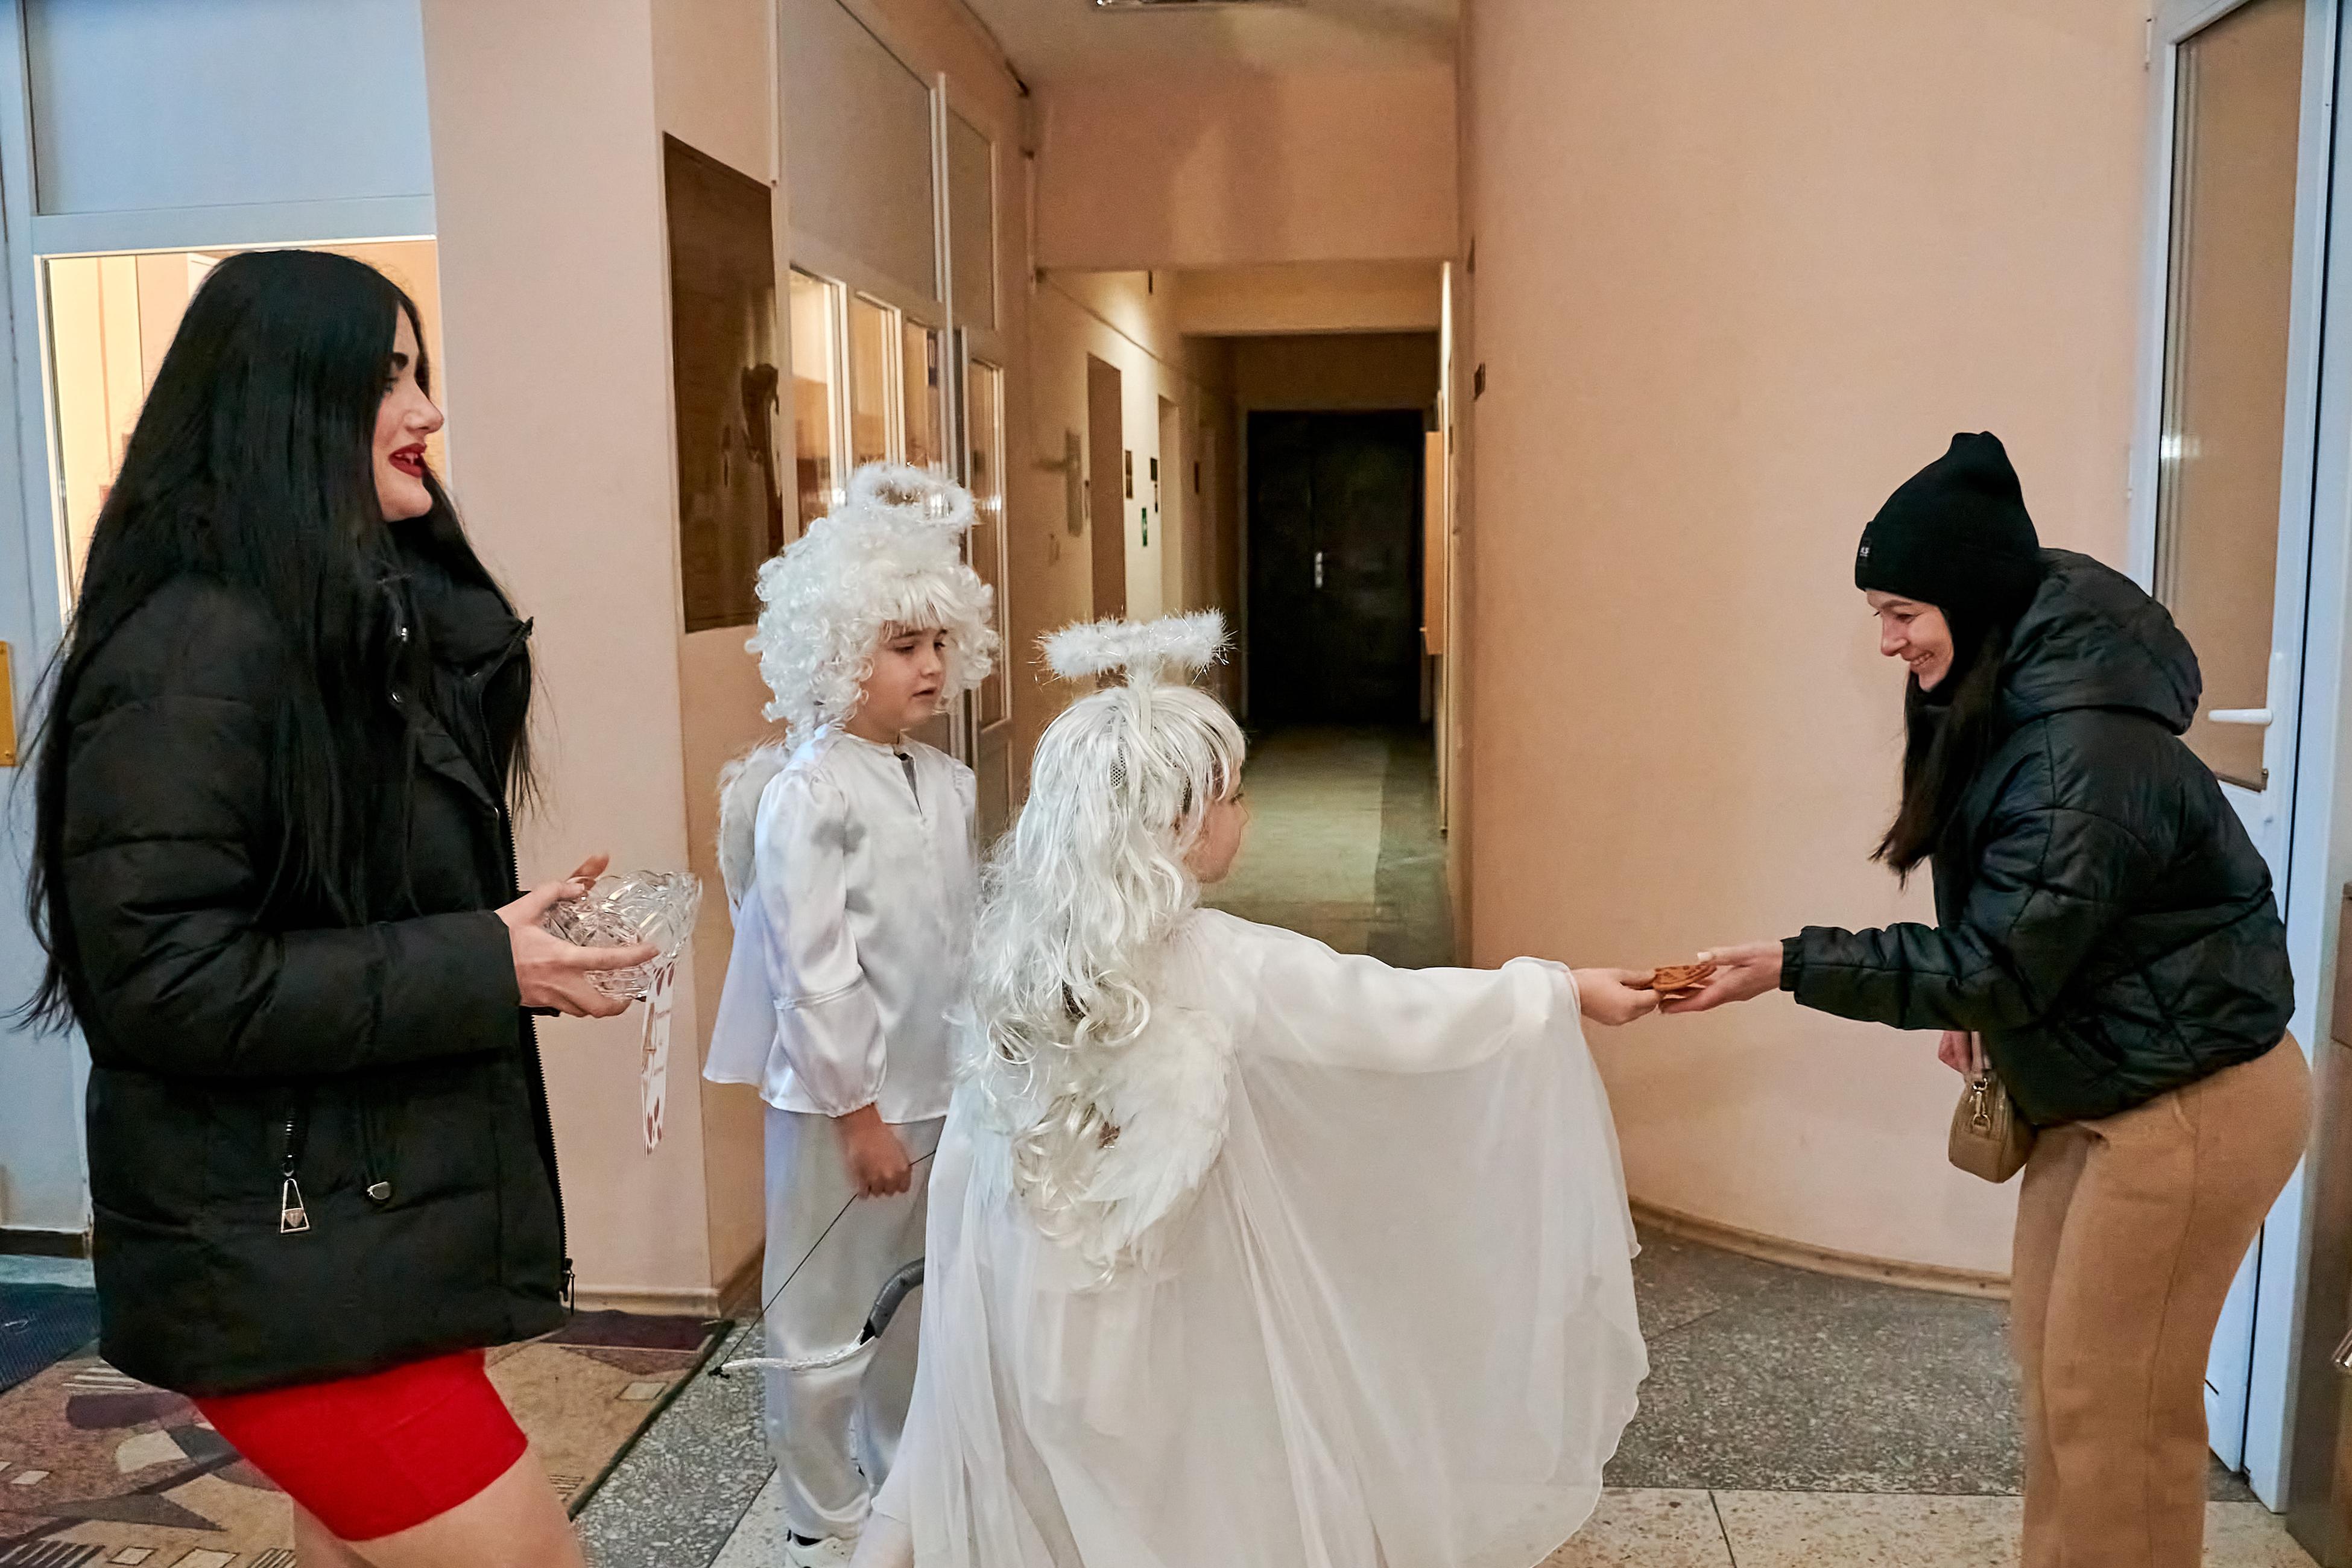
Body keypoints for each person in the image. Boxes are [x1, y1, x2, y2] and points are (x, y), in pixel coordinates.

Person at [25, 249, 656, 1568]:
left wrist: (511, 952)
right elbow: (166, 984)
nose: (428, 411)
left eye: (420, 373)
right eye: (389, 378)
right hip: (280, 1262)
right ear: (287, 403)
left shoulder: (340, 628)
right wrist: (479, 963)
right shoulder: (194, 647)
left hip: (352, 1242)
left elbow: (337, 917)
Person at [852, 612, 1654, 1568]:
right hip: (1157, 1301)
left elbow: (975, 1156)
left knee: (1040, 1473)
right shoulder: (1224, 962)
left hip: (1025, 1291)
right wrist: (1559, 991)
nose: (1245, 814)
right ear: (1178, 823)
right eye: (1232, 795)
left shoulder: (1019, 962)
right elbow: (1393, 1013)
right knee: (1164, 1483)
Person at [1674, 433, 2306, 1568]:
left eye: (1902, 611)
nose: (1887, 640)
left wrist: (1789, 963)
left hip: (2191, 1104)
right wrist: (1987, 993)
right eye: (1879, 612)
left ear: (1971, 599)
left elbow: (2000, 963)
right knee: (2065, 1390)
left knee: (2119, 1419)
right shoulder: (2009, 704)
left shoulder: (2079, 751)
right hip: (2103, 1077)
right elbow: (2025, 936)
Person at [706, 463, 998, 1567]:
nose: (930, 666)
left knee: (917, 1302)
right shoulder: (810, 793)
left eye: (939, 643)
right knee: (824, 1316)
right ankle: (819, 1517)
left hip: (942, 1092)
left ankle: (901, 1494)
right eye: (900, 645)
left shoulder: (948, 782)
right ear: (834, 654)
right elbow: (814, 973)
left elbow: (956, 945)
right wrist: (858, 1115)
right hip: (847, 1110)